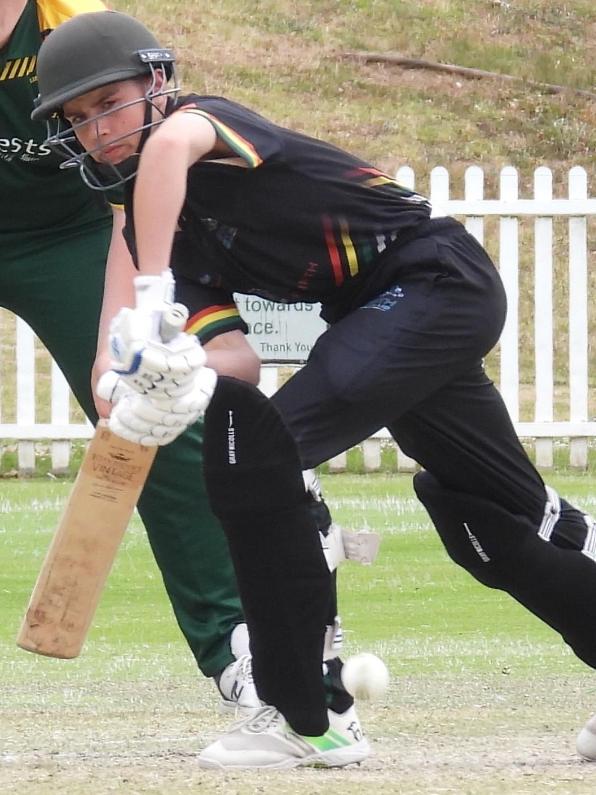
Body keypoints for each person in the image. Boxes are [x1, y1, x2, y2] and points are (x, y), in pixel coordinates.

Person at [31, 8, 596, 768]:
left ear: (157, 81)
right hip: (379, 319)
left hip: (435, 277)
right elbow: (236, 360)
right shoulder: (149, 228)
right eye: (79, 118)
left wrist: (153, 290)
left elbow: (172, 148)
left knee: (263, 457)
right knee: (495, 522)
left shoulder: (202, 126)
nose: (99, 129)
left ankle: (313, 715)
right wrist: (171, 376)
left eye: (109, 103)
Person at [0, 0, 262, 714]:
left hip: (68, 236)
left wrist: (120, 338)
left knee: (150, 413)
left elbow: (134, 172)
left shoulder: (71, 21)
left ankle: (239, 647)